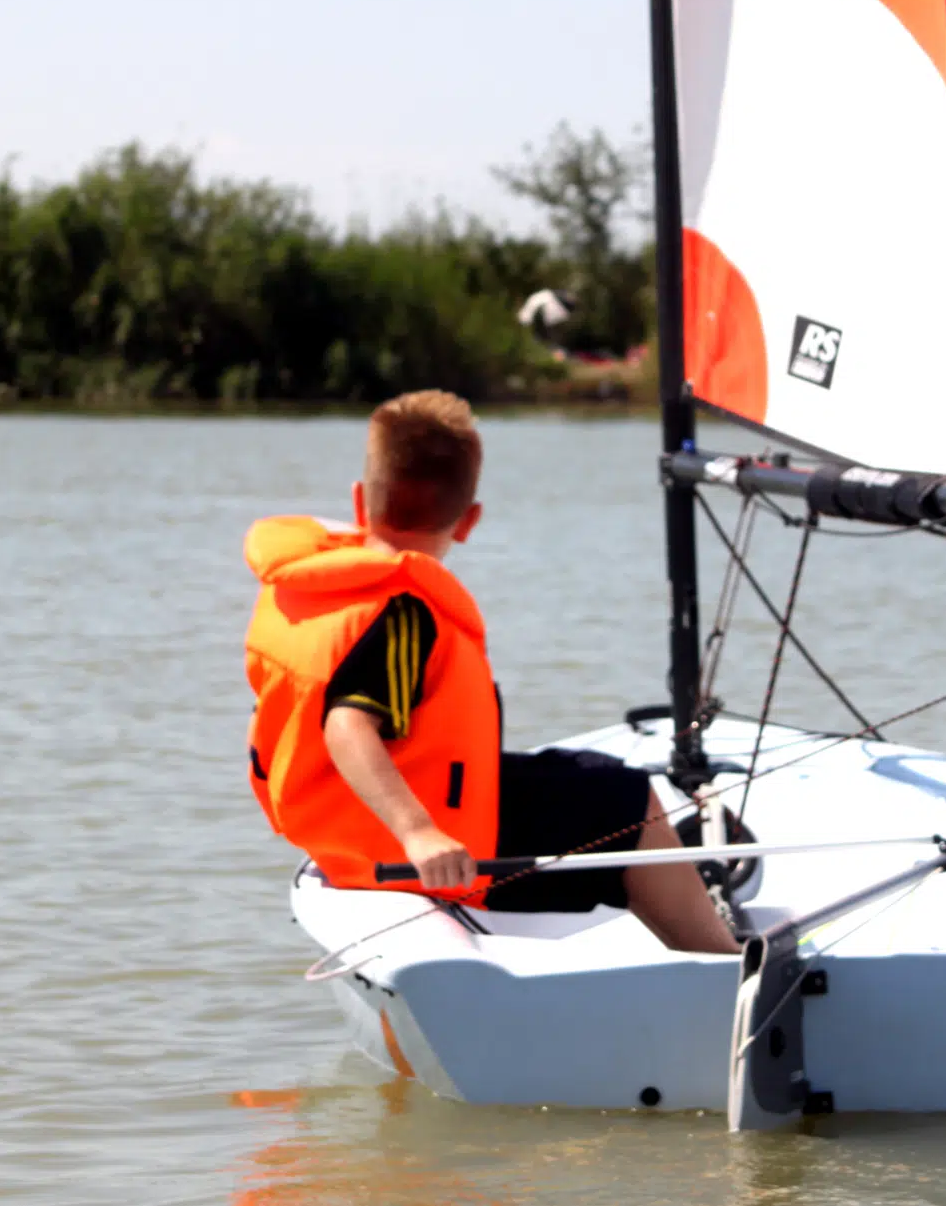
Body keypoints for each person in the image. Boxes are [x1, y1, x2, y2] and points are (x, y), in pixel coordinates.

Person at [243, 389, 738, 954]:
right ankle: (721, 960)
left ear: (360, 503)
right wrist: (420, 834)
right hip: (418, 848)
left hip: (334, 827)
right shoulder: (404, 610)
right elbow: (345, 726)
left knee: (573, 773)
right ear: (469, 520)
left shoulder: (316, 588)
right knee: (625, 798)